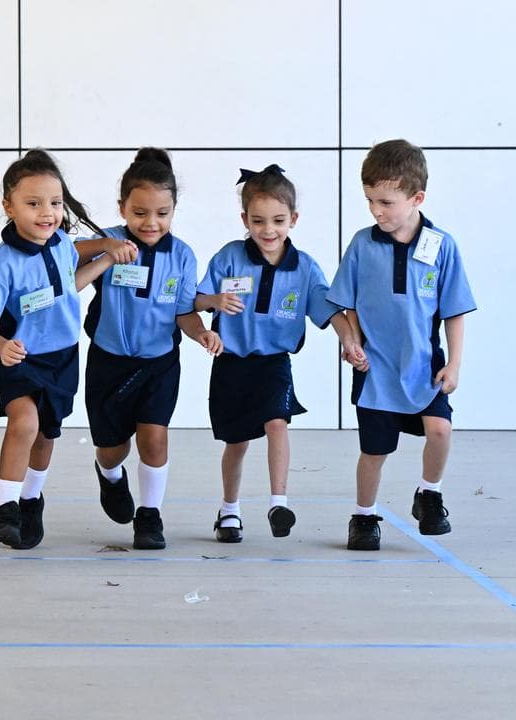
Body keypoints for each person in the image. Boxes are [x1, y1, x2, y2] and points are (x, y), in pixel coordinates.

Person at [0, 149, 133, 550]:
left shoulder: (59, 244)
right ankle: (5, 511)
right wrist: (1, 346)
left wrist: (107, 254)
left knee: (46, 432)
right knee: (25, 421)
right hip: (18, 355)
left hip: (62, 354)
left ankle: (31, 499)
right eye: (33, 203)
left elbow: (67, 285)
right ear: (9, 206)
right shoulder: (1, 263)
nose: (47, 213)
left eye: (55, 203)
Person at [195, 164, 363, 542]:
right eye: (257, 221)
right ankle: (229, 510)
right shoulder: (229, 257)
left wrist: (348, 340)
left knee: (277, 424)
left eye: (278, 220)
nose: (268, 230)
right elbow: (195, 299)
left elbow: (329, 309)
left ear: (293, 219)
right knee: (236, 444)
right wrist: (215, 300)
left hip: (273, 363)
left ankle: (278, 502)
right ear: (244, 219)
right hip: (231, 363)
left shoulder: (304, 268)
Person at [327, 139, 475, 551]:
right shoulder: (362, 244)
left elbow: (455, 310)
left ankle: (429, 494)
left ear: (417, 198)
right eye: (370, 201)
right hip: (375, 370)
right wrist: (351, 340)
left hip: (423, 364)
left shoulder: (442, 245)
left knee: (440, 430)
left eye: (386, 202)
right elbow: (347, 302)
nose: (376, 211)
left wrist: (455, 364)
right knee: (374, 452)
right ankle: (363, 516)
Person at [83, 148, 221, 550]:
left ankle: (150, 516)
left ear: (174, 209)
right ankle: (109, 475)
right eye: (140, 213)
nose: (151, 222)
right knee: (112, 449)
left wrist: (202, 334)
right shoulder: (105, 240)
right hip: (108, 361)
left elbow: (183, 312)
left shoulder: (182, 256)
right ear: (122, 207)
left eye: (162, 213)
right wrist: (105, 248)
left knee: (154, 436)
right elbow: (61, 255)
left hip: (159, 362)